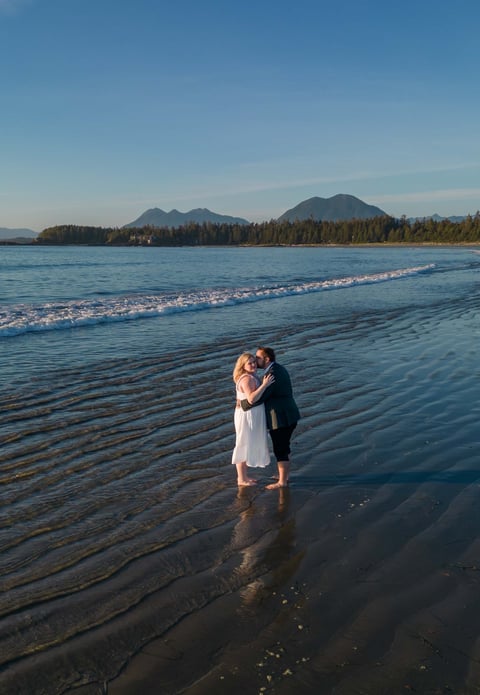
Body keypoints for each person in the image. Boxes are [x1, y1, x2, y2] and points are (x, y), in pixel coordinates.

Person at [242, 347, 300, 489]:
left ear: (267, 359)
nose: (255, 360)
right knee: (284, 447)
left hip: (281, 417)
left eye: (258, 358)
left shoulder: (272, 374)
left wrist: (242, 404)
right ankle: (284, 476)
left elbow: (259, 398)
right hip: (288, 414)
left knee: (280, 449)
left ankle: (282, 482)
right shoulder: (278, 369)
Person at [231, 352, 275, 486]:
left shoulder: (251, 376)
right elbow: (251, 398)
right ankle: (241, 479)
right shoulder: (246, 379)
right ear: (243, 366)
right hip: (247, 416)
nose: (253, 364)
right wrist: (265, 385)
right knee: (243, 444)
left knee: (247, 443)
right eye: (249, 363)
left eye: (254, 362)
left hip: (251, 414)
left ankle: (244, 476)